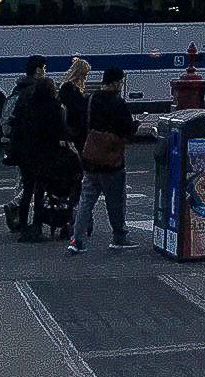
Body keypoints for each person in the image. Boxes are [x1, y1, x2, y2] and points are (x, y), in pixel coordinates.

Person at [69, 65, 138, 253]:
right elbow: (126, 128)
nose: (121, 85)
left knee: (86, 201)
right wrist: (134, 126)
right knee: (115, 201)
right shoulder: (118, 103)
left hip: (92, 158)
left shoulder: (91, 99)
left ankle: (76, 240)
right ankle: (119, 236)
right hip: (111, 160)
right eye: (120, 82)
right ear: (115, 82)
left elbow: (84, 124)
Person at [11, 71, 64, 241]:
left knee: (27, 190)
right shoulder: (53, 107)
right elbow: (59, 131)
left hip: (26, 154)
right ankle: (37, 225)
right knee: (40, 190)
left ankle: (23, 225)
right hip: (45, 154)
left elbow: (17, 128)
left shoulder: (26, 105)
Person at [59, 57, 90, 151]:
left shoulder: (67, 87)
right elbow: (75, 108)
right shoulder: (70, 88)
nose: (85, 77)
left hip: (74, 128)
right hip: (74, 129)